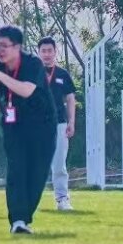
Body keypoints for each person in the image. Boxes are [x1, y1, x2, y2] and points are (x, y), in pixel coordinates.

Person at [0, 24, 56, 235]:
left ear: (17, 46)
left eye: (4, 45)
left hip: (42, 125)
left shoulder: (33, 64)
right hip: (13, 125)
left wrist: (0, 76)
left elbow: (26, 90)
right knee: (16, 170)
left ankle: (25, 215)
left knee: (37, 172)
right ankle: (18, 220)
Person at [35, 37, 78, 212]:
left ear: (55, 52)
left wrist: (71, 122)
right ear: (38, 53)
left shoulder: (62, 74)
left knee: (59, 165)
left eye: (49, 51)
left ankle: (62, 199)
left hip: (59, 124)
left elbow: (70, 99)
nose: (46, 54)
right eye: (43, 51)